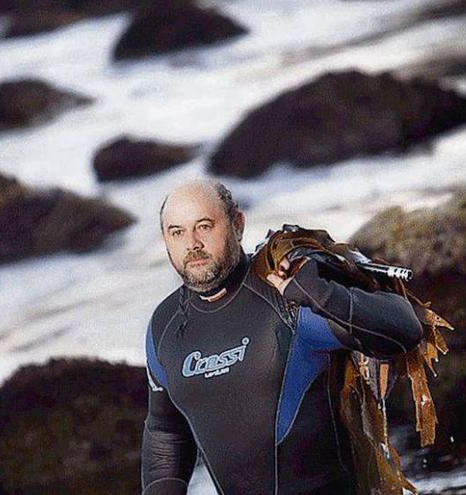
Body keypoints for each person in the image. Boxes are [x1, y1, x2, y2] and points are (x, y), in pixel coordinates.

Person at [141, 179, 424, 495]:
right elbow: (166, 431)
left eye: (204, 226)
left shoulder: (286, 298)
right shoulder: (163, 327)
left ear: (237, 225)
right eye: (177, 232)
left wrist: (321, 294)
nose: (192, 243)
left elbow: (405, 330)